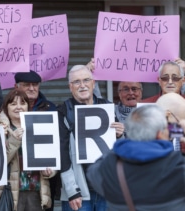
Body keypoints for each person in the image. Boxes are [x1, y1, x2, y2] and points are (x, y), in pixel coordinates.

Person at [87, 104, 185, 210]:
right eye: (167, 128)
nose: (169, 131)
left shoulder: (109, 168)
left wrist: (124, 143)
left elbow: (93, 170)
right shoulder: (178, 166)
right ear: (159, 134)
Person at [58, 65, 125, 211]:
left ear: (93, 83)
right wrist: (71, 190)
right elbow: (62, 153)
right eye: (76, 82)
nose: (82, 85)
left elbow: (121, 149)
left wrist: (120, 135)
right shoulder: (63, 111)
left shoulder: (108, 107)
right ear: (70, 87)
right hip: (79, 192)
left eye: (86, 80)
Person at [0, 89, 55, 211]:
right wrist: (14, 139)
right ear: (6, 107)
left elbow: (51, 156)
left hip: (36, 191)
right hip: (11, 192)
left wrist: (50, 171)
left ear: (28, 106)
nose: (18, 107)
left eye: (22, 103)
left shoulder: (38, 125)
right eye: (13, 104)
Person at [14, 70, 58, 211]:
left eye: (35, 85)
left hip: (41, 184)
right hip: (15, 184)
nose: (32, 88)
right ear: (17, 87)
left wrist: (52, 170)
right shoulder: (9, 109)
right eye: (27, 85)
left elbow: (58, 145)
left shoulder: (51, 109)